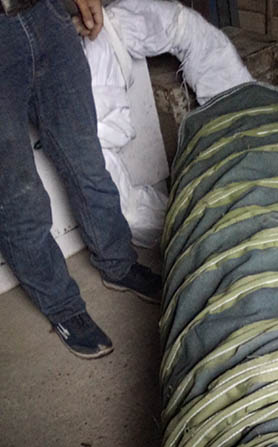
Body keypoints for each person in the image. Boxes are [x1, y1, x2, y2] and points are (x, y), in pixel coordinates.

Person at [0, 0, 161, 359]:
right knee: (18, 198)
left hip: (45, 13)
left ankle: (118, 264)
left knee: (87, 160)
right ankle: (63, 308)